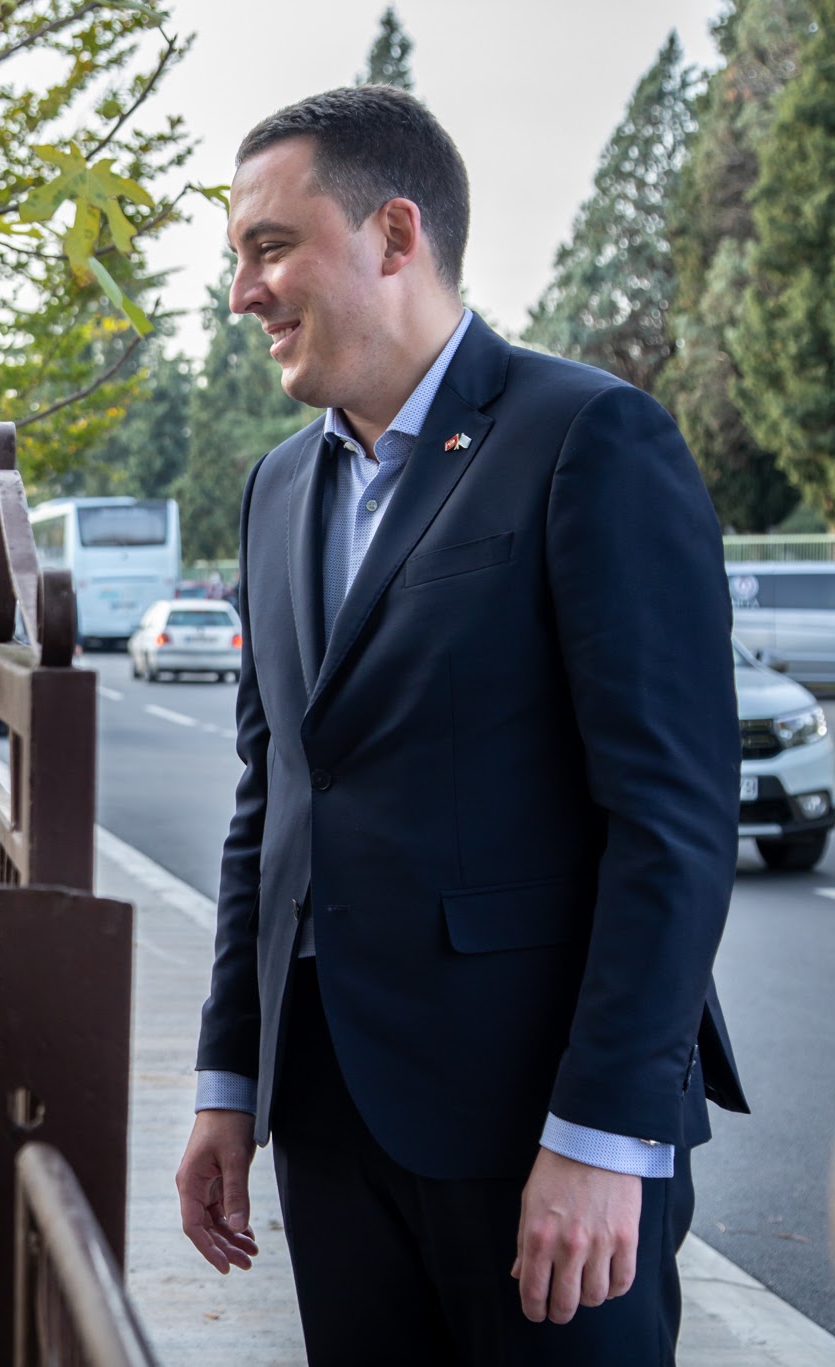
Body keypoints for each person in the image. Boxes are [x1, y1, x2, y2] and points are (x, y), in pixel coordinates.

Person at [173, 86, 749, 1366]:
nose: (241, 294)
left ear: (392, 235)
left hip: (539, 1133)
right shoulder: (274, 487)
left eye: (269, 248)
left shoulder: (587, 438)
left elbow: (669, 819)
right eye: (235, 259)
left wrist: (601, 1134)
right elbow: (271, 804)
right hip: (326, 1124)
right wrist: (232, 1082)